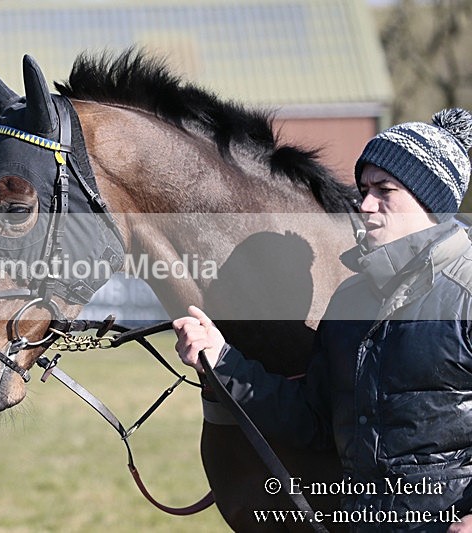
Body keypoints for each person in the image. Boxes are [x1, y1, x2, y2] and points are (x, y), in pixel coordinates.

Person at [174, 108, 472, 533]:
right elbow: (314, 421)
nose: (365, 204)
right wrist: (220, 358)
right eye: (364, 189)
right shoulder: (350, 299)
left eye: (384, 190)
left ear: (430, 201)